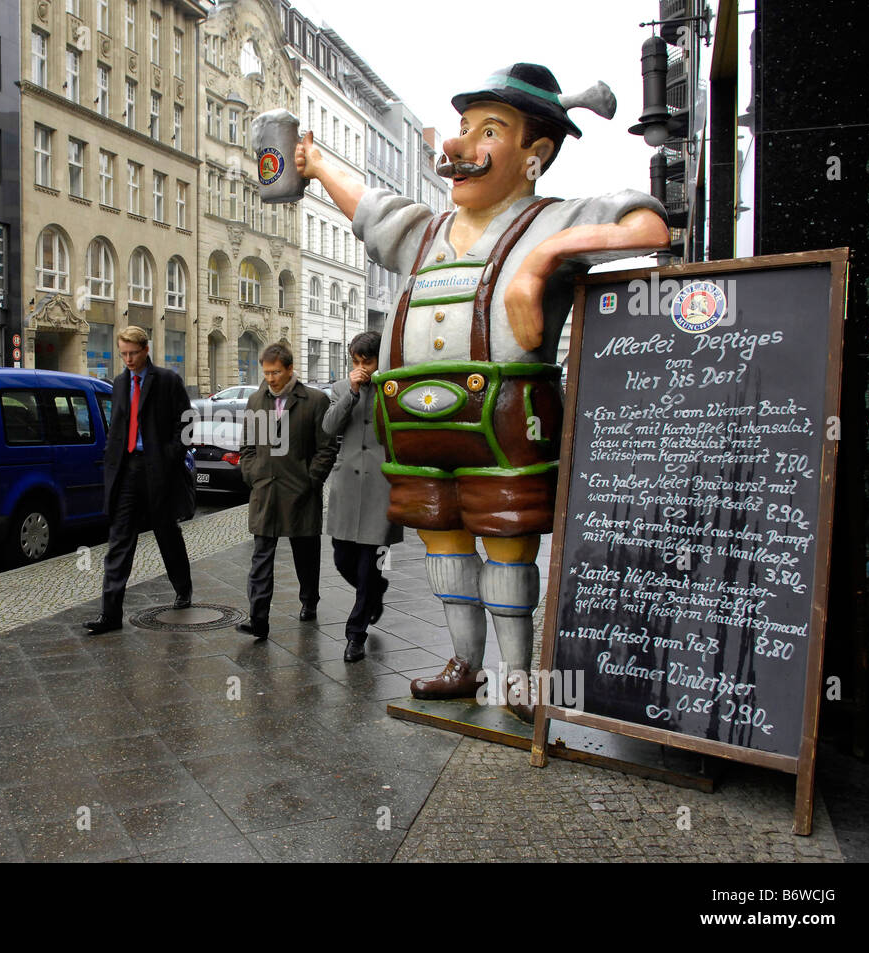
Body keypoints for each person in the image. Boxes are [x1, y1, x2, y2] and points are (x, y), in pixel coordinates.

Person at [295, 63, 669, 718]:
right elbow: (367, 207)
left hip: (505, 423)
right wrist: (317, 163)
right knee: (443, 540)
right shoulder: (427, 232)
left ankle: (518, 675)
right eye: (464, 127)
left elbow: (648, 226)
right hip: (418, 425)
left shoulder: (550, 220)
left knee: (504, 543)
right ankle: (465, 661)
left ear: (536, 154)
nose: (460, 146)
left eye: (488, 130)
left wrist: (543, 260)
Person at [83, 327, 193, 634]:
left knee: (166, 533)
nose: (128, 360)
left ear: (146, 350)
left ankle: (183, 587)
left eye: (133, 353)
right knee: (119, 540)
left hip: (159, 470)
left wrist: (171, 455)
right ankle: (110, 615)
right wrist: (111, 458)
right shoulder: (119, 383)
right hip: (127, 469)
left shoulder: (167, 381)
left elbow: (187, 423)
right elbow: (118, 426)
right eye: (123, 354)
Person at [236, 344, 336, 639]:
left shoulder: (316, 401)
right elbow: (248, 446)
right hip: (265, 491)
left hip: (301, 492)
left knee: (305, 554)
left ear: (290, 369)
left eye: (276, 372)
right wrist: (252, 474)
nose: (271, 378)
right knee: (261, 557)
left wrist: (310, 480)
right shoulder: (256, 400)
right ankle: (258, 619)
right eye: (266, 372)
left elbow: (327, 448)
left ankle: (309, 600)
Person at [323, 330, 403, 662]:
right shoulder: (342, 388)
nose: (361, 368)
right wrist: (352, 393)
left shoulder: (393, 388)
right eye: (355, 362)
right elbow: (329, 427)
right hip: (347, 484)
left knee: (370, 564)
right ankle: (374, 594)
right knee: (342, 557)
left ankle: (355, 635)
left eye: (366, 361)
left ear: (378, 359)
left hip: (380, 487)